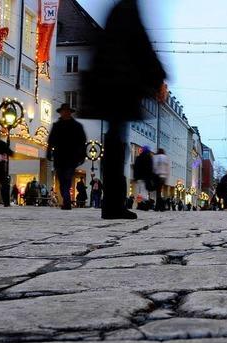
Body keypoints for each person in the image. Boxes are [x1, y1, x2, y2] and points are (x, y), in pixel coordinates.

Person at [82, 0, 166, 220]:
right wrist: (158, 77)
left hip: (109, 83)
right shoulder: (128, 9)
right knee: (117, 145)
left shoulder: (119, 9)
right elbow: (141, 44)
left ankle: (112, 203)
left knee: (115, 141)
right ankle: (113, 205)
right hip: (118, 85)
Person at [47, 103, 87, 210]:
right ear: (61, 112)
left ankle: (67, 201)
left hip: (71, 157)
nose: (65, 113)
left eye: (67, 111)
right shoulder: (57, 126)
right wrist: (49, 151)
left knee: (67, 179)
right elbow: (51, 140)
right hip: (59, 157)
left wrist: (82, 155)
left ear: (70, 112)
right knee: (62, 180)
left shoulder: (77, 126)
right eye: (63, 111)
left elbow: (82, 142)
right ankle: (66, 200)